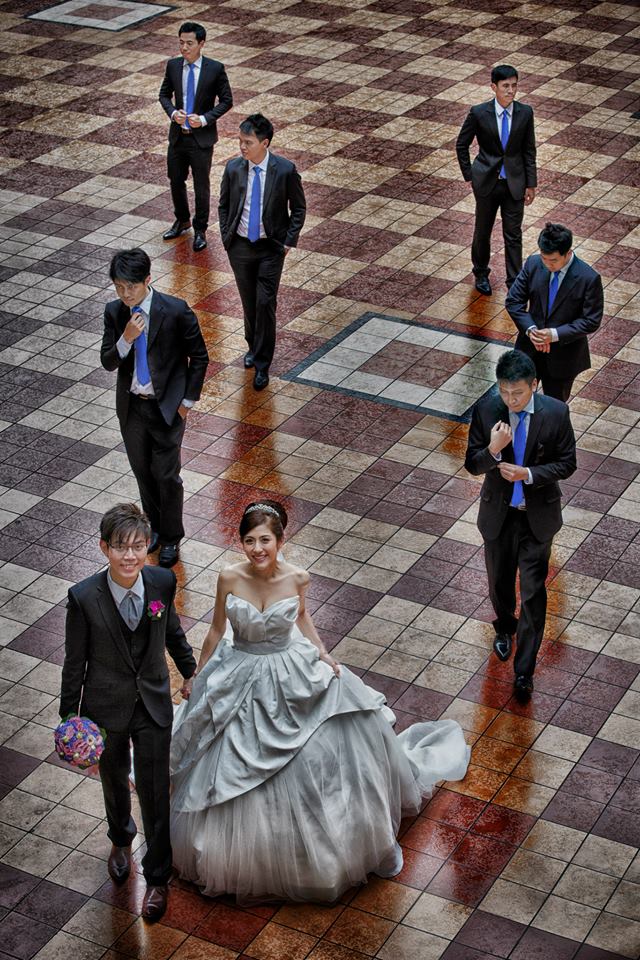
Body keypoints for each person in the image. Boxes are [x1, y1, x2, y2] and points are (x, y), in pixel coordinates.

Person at [169, 501, 470, 903]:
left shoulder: (298, 577)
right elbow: (215, 629)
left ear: (280, 540)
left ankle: (309, 842)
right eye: (249, 541)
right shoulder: (229, 577)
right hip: (239, 666)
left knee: (313, 747)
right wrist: (196, 675)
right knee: (227, 752)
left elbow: (302, 617)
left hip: (286, 666)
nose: (257, 549)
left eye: (265, 540)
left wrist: (323, 654)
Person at [59, 503, 196, 921]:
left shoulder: (160, 582)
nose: (130, 555)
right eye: (121, 547)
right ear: (105, 548)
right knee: (115, 782)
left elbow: (171, 629)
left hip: (153, 703)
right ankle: (120, 839)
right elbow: (74, 662)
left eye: (138, 546)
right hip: (105, 707)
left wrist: (190, 670)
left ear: (147, 546)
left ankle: (157, 877)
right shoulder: (84, 597)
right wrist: (70, 718)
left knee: (155, 790)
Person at [464, 350, 576, 702]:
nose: (511, 400)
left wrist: (528, 474)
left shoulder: (555, 413)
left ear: (534, 385)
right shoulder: (487, 410)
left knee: (533, 592)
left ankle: (524, 670)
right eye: (505, 392)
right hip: (499, 515)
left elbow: (567, 463)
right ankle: (504, 627)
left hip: (536, 518)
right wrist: (494, 450)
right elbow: (472, 464)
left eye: (518, 393)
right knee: (499, 583)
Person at [101, 248, 209, 568]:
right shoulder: (115, 312)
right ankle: (155, 531)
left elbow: (199, 357)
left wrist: (186, 402)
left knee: (166, 475)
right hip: (132, 407)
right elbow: (108, 361)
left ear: (148, 280)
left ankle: (172, 537)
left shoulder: (175, 311)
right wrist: (126, 338)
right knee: (143, 473)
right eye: (119, 287)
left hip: (167, 408)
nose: (125, 294)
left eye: (131, 287)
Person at [218, 113, 306, 391]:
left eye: (248, 142)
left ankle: (262, 364)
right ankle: (252, 347)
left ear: (264, 143)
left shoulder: (284, 170)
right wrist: (227, 237)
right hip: (240, 247)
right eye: (240, 141)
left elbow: (299, 208)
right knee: (249, 302)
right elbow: (223, 205)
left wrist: (288, 242)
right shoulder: (234, 168)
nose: (242, 147)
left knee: (265, 302)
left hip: (271, 248)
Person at [456, 64, 537, 295]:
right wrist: (470, 175)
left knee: (514, 234)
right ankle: (481, 273)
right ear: (494, 87)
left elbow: (529, 150)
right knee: (483, 231)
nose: (511, 91)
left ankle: (515, 282)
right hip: (486, 183)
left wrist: (531, 183)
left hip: (515, 183)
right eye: (505, 86)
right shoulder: (479, 113)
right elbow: (461, 144)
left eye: (514, 85)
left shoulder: (525, 113)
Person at [506, 221, 604, 402]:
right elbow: (513, 301)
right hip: (529, 349)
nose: (547, 264)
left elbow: (591, 320)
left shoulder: (588, 278)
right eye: (544, 258)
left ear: (568, 253)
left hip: (563, 357)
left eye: (553, 260)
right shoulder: (533, 263)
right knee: (518, 401)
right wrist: (532, 331)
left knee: (555, 407)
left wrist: (553, 334)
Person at [159, 20, 233, 252]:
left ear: (201, 43)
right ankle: (182, 220)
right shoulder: (173, 66)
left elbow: (227, 101)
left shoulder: (215, 69)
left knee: (201, 185)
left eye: (189, 43)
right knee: (175, 179)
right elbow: (163, 95)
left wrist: (204, 119)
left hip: (202, 139)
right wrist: (173, 114)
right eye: (181, 42)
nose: (184, 48)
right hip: (178, 136)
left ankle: (200, 229)